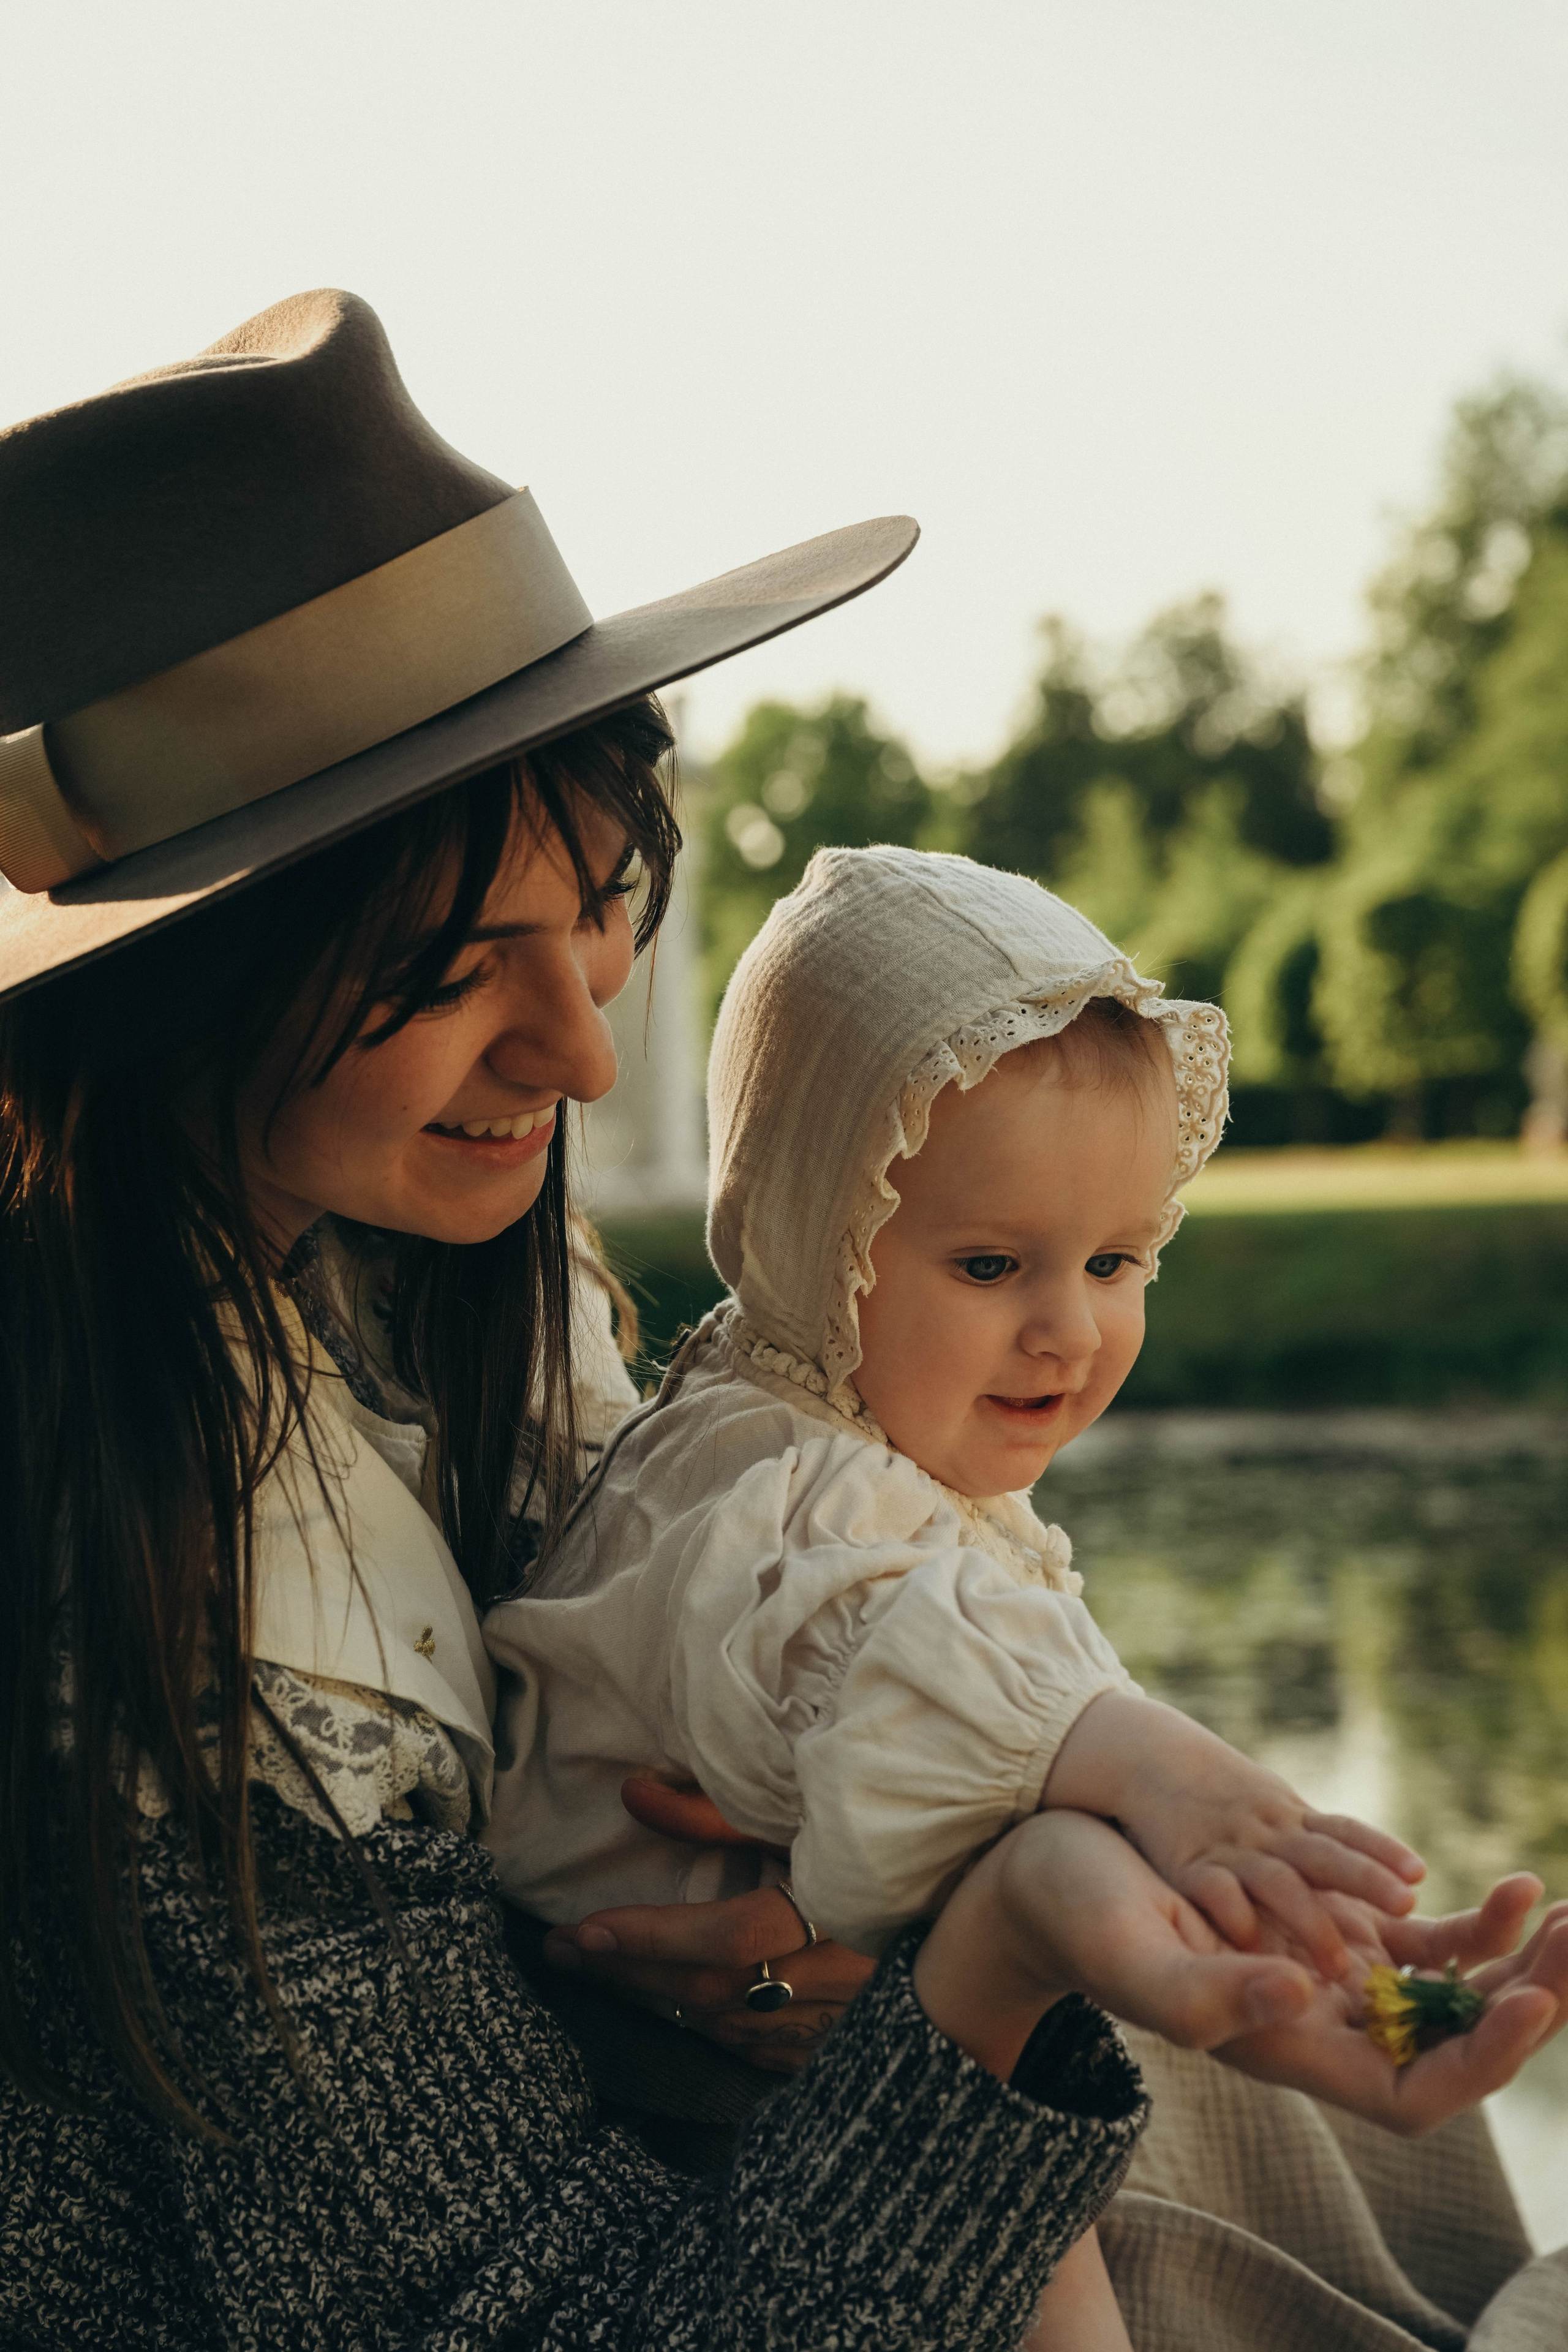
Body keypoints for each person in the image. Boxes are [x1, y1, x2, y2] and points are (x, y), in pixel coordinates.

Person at [0, 285, 1378, 2350]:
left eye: (605, 911)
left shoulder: (455, 1319)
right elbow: (563, 2317)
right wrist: (984, 1964)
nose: (573, 1053)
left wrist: (772, 1945)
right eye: (458, 965)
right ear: (193, 983)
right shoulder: (191, 1595)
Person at [480, 845, 1563, 2342]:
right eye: (991, 1264)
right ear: (813, 1234)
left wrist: (1275, 1938)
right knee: (1037, 2233)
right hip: (693, 2119)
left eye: (1117, 1260)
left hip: (823, 2046)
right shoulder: (761, 1477)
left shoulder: (869, 1450)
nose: (1069, 1330)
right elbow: (884, 1647)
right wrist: (1147, 1762)